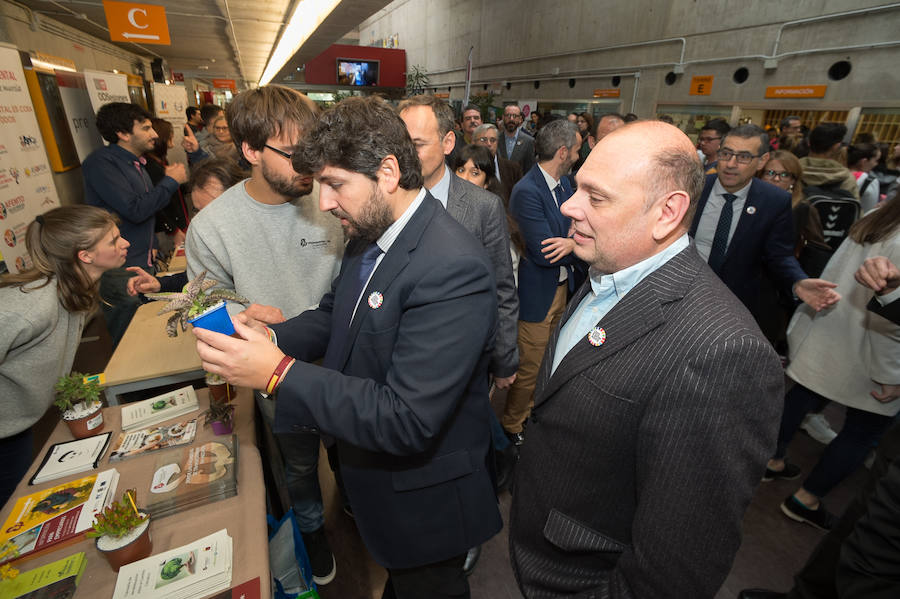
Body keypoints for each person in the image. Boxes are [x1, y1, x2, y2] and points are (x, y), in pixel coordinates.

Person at [194, 96, 502, 599]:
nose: (324, 203)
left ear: (386, 172)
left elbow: (406, 417)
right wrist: (270, 338)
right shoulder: (371, 232)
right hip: (382, 484)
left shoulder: (452, 266)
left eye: (335, 184)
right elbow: (335, 314)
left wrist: (278, 372)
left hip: (426, 503)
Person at [508, 120, 783, 598]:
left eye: (596, 197)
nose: (569, 207)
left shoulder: (723, 352)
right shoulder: (610, 268)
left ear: (667, 213)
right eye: (577, 189)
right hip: (542, 546)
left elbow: (672, 573)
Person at [185, 85, 344, 585]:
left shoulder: (332, 200)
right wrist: (238, 314)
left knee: (355, 452)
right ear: (251, 151)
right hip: (278, 379)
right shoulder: (213, 227)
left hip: (347, 366)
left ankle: (358, 504)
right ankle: (313, 534)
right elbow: (206, 309)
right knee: (298, 470)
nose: (312, 168)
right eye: (297, 156)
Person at [765, 195, 900, 531]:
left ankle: (772, 459)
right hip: (868, 350)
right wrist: (892, 373)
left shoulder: (878, 215)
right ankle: (806, 499)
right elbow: (890, 320)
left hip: (831, 329)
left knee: (802, 396)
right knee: (863, 431)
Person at [0, 206, 128, 506]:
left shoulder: (72, 290)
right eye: (114, 240)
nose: (125, 244)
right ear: (85, 256)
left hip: (18, 427)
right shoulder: (32, 308)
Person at [690, 124, 840, 326]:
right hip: (687, 294)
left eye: (743, 157)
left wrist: (797, 281)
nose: (731, 164)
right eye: (726, 154)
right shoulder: (695, 189)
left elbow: (779, 254)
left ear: (762, 161)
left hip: (735, 304)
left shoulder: (774, 201)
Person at [81, 102, 188, 347]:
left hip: (141, 260)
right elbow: (135, 209)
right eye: (146, 128)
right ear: (123, 133)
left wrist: (152, 242)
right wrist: (170, 181)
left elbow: (146, 208)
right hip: (120, 265)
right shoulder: (102, 163)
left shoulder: (135, 163)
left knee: (146, 326)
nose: (154, 134)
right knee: (130, 335)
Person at [505, 119, 585, 446]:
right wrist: (576, 245)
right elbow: (543, 252)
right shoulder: (527, 191)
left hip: (562, 288)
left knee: (550, 360)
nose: (579, 156)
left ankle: (533, 415)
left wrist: (571, 242)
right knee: (529, 367)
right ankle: (512, 426)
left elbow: (575, 232)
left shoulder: (566, 185)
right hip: (536, 295)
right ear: (563, 152)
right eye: (577, 150)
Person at [127, 158, 245, 296]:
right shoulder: (207, 238)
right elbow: (202, 277)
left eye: (212, 209)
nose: (203, 220)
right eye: (198, 211)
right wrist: (160, 284)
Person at [146, 118, 190, 252]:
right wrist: (173, 230)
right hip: (169, 231)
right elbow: (155, 204)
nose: (173, 139)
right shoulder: (150, 167)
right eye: (170, 135)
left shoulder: (161, 161)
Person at [800, 123, 861, 201]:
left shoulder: (791, 169)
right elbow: (855, 210)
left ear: (809, 142)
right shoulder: (846, 177)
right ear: (836, 146)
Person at [472, 122, 522, 203]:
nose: (489, 144)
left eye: (493, 140)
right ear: (473, 143)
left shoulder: (513, 169)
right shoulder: (465, 168)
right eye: (483, 140)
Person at [498, 104, 535, 173]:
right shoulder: (495, 139)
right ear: (503, 117)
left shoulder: (529, 141)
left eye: (515, 116)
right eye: (508, 115)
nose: (511, 119)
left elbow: (529, 169)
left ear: (520, 119)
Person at [848, 142, 882, 213]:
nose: (876, 164)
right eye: (876, 160)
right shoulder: (869, 181)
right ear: (864, 162)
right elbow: (869, 210)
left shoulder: (835, 172)